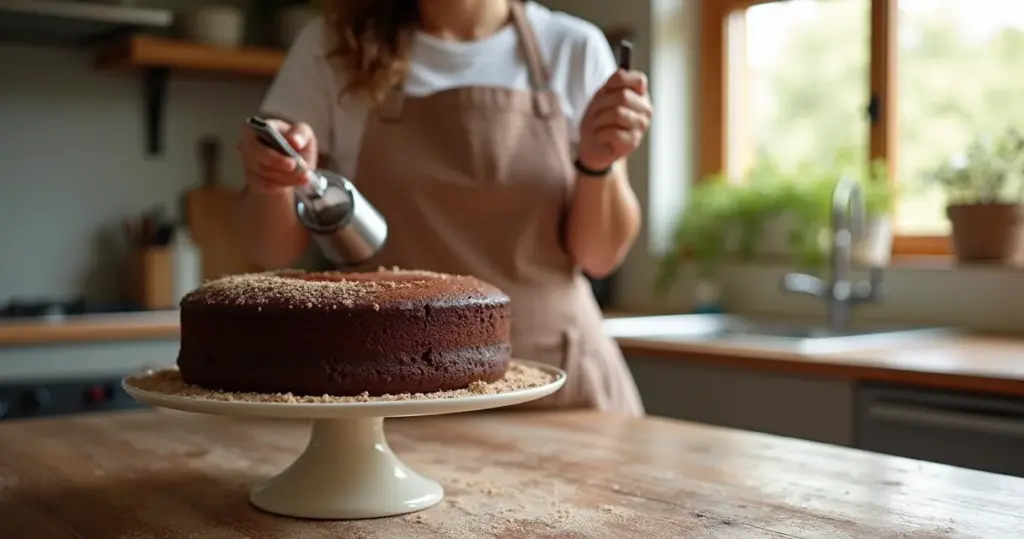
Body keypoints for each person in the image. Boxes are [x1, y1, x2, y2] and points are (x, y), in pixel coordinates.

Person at [236, 0, 653, 417]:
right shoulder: (332, 48)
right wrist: (272, 181)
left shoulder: (573, 47)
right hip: (396, 390)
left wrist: (599, 164)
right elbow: (270, 251)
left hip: (560, 385)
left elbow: (600, 257)